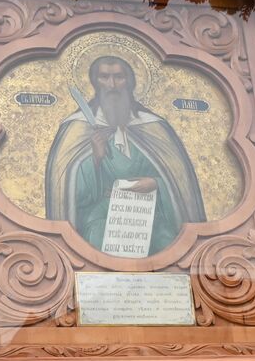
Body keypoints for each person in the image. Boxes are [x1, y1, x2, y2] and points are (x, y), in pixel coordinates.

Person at [44, 54, 207, 256]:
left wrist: (155, 183)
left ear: (130, 82)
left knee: (167, 241)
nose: (111, 85)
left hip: (150, 213)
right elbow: (65, 188)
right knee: (96, 238)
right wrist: (95, 158)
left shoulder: (153, 126)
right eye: (104, 77)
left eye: (119, 77)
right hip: (102, 213)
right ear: (95, 82)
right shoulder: (77, 127)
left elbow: (180, 178)